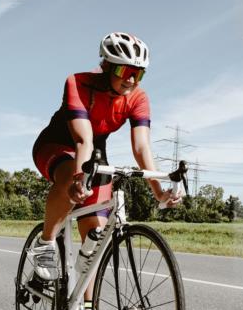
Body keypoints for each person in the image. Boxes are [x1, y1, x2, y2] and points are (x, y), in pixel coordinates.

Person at [29, 32, 181, 291]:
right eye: (125, 70)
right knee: (69, 178)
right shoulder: (78, 83)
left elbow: (142, 146)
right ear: (107, 66)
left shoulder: (138, 98)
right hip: (58, 144)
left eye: (139, 73)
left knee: (95, 238)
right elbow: (82, 140)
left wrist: (158, 191)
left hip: (96, 152)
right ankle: (45, 244)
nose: (132, 79)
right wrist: (78, 178)